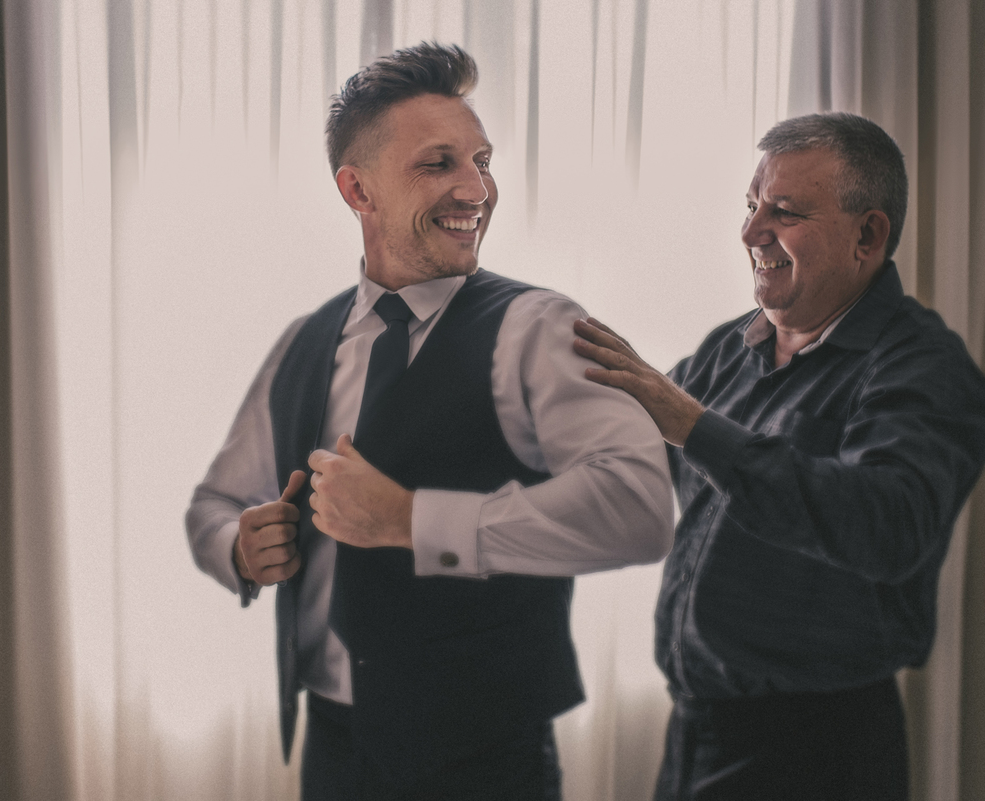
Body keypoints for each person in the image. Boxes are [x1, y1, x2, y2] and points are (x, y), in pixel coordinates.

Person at [186, 43, 674, 800]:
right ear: (358, 189)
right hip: (332, 752)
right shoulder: (304, 342)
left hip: (484, 762)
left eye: (482, 161)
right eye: (438, 163)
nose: (476, 189)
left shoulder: (540, 329)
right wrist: (239, 548)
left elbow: (639, 507)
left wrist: (412, 520)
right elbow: (213, 504)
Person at [572, 112, 985, 800]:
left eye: (784, 212)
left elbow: (889, 526)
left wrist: (694, 425)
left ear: (868, 235)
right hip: (695, 733)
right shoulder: (731, 345)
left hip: (818, 752)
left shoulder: (922, 365)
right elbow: (639, 447)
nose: (750, 232)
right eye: (751, 205)